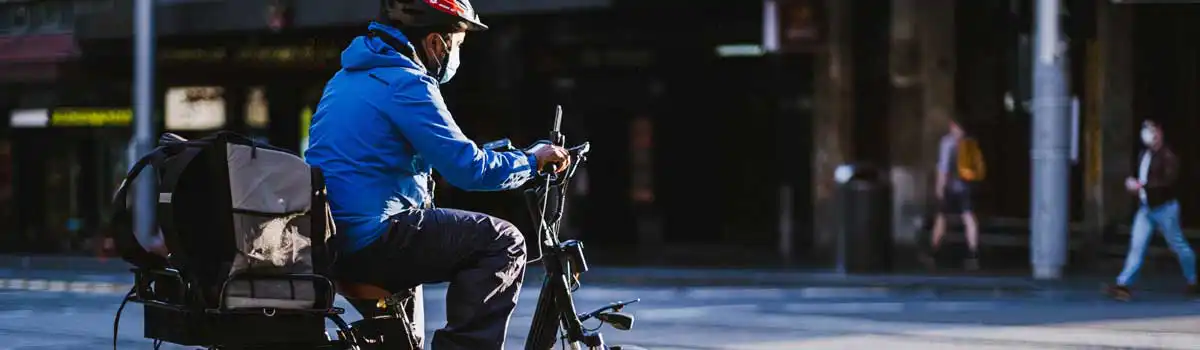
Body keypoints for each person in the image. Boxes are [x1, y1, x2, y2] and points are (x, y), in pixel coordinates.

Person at [303, 1, 571, 349]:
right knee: (503, 241)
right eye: (457, 45)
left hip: (335, 240)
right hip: (374, 237)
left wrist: (503, 157)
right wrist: (532, 162)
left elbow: (427, 155)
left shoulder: (346, 79)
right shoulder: (407, 83)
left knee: (405, 341)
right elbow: (469, 170)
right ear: (435, 43)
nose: (456, 55)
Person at [1105, 120, 1196, 301]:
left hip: (1165, 209)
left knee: (1178, 245)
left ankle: (1193, 279)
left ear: (1159, 132)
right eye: (1146, 130)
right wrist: (1133, 184)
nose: (1148, 134)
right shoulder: (1143, 155)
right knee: (1136, 246)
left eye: (1152, 130)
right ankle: (1123, 284)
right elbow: (1141, 177)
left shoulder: (1168, 155)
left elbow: (1168, 182)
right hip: (1146, 209)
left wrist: (1142, 186)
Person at [921, 117, 982, 271]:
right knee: (969, 218)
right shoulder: (970, 142)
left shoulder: (947, 142)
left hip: (950, 187)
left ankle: (932, 252)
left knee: (941, 218)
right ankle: (973, 254)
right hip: (966, 187)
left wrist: (939, 187)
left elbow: (943, 168)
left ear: (953, 125)